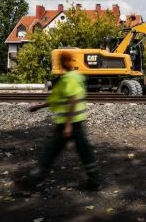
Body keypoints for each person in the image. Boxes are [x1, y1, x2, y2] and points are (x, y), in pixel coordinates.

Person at [27, 50, 101, 191]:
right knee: (84, 151)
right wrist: (39, 106)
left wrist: (67, 125)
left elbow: (73, 99)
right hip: (76, 121)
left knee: (53, 149)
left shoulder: (68, 79)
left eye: (60, 62)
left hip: (68, 122)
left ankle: (37, 177)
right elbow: (58, 98)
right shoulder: (74, 77)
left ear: (63, 63)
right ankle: (94, 180)